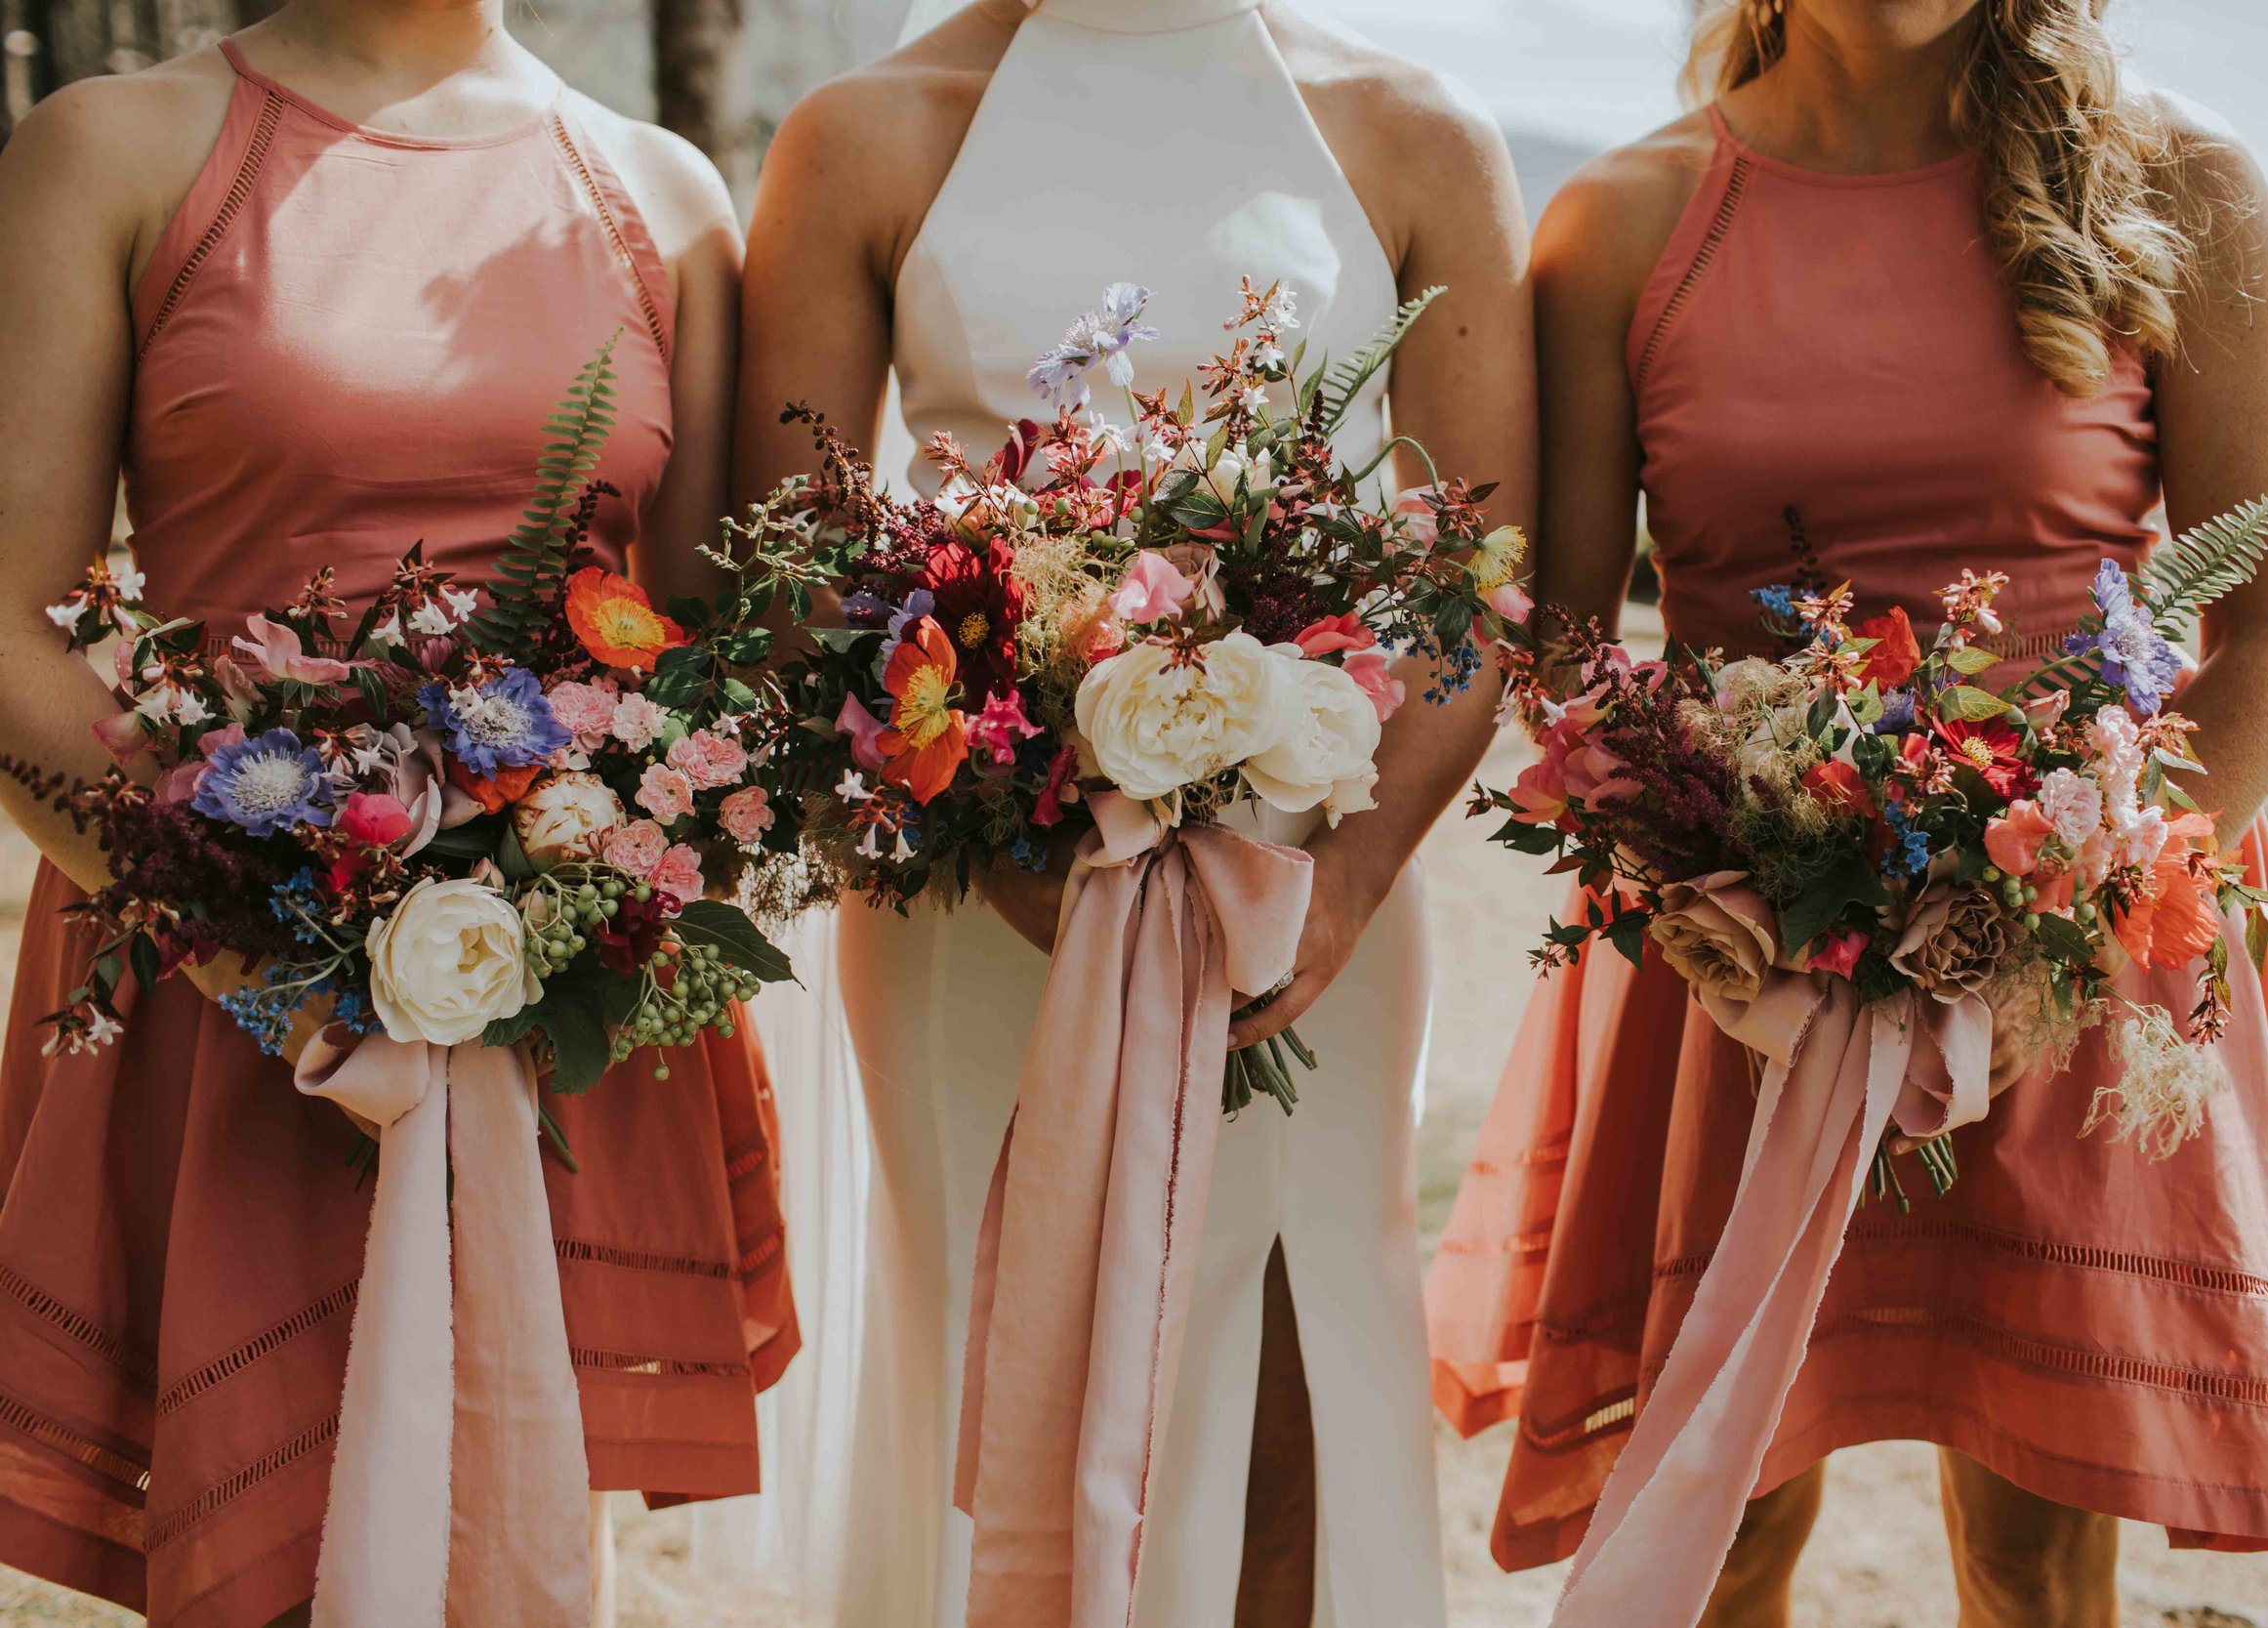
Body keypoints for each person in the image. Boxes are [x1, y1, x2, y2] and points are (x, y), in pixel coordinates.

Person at [1427, 1, 2268, 1622]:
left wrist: (2057, 930)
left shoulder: (2177, 188)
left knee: (2036, 1551)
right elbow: (1570, 643)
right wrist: (1705, 893)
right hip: (1734, 940)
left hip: (2080, 933)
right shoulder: (1625, 223)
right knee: (1721, 1518)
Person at [735, 0, 1534, 1620]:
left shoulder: (1412, 130)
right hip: (967, 897)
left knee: (1293, 1375)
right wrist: (1000, 830)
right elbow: (790, 587)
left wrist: (1343, 890)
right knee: (993, 1347)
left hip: (1309, 894)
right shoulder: (866, 132)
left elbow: (1477, 591)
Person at [0, 4, 796, 1620]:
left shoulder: (665, 194)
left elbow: (715, 658)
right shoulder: (113, 150)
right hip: (219, 979)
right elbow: (3, 614)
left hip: (555, 999)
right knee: (271, 1565)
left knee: (509, 1539)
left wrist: (555, 909)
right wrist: (266, 936)